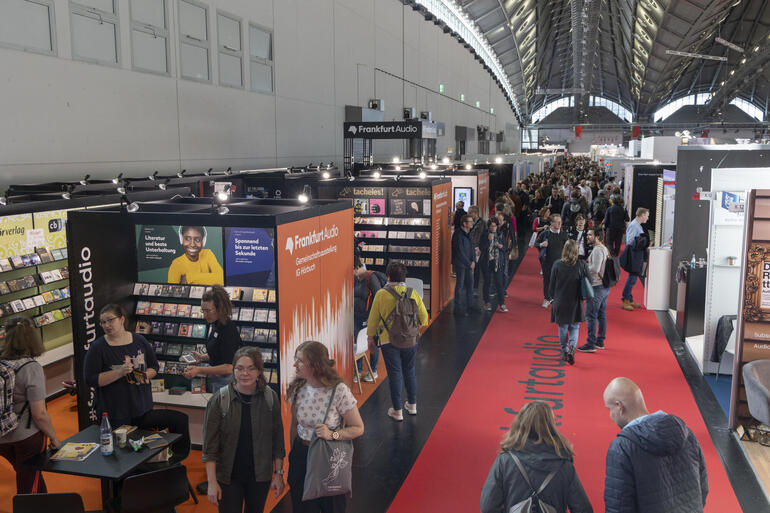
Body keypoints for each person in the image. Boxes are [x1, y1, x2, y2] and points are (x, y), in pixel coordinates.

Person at [603, 377, 708, 513]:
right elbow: (702, 487)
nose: (610, 415)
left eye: (609, 409)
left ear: (619, 406)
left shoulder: (622, 448)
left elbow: (619, 507)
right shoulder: (687, 434)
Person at [202, 347, 285, 513]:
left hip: (260, 476)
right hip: (228, 476)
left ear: (259, 371)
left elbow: (277, 441)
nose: (244, 373)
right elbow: (210, 447)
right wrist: (211, 482)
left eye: (251, 368)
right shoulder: (219, 400)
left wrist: (279, 474)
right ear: (233, 370)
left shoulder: (270, 398)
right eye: (239, 368)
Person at [287, 341, 364, 513]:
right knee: (301, 506)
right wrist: (293, 454)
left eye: (300, 361)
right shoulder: (298, 388)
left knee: (332, 506)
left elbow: (358, 427)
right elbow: (294, 425)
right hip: (302, 454)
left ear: (315, 365)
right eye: (295, 359)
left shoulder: (339, 390)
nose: (294, 364)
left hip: (328, 455)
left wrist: (332, 435)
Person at [480, 401, 592, 513]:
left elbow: (488, 507)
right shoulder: (564, 464)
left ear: (520, 423)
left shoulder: (505, 461)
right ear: (551, 426)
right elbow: (583, 509)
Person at [0, 317, 62, 494]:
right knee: (29, 485)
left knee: (31, 476)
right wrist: (54, 437)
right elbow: (39, 414)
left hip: (2, 435)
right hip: (26, 436)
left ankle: (45, 504)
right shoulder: (31, 367)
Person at [367, 262, 429, 421]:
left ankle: (397, 411)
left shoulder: (381, 294)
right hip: (410, 340)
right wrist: (411, 328)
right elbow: (424, 318)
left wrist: (370, 338)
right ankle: (412, 406)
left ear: (388, 277)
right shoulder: (412, 292)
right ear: (404, 277)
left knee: (394, 374)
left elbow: (373, 320)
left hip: (388, 340)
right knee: (410, 370)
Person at [84, 304, 159, 427]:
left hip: (142, 407)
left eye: (110, 320)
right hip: (114, 412)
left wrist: (144, 376)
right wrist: (120, 372)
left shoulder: (140, 340)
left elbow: (154, 366)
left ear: (122, 319)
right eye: (103, 322)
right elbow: (90, 379)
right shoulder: (98, 347)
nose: (106, 325)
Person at [184, 285, 243, 391]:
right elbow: (222, 353)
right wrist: (202, 357)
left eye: (208, 311)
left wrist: (199, 370)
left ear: (219, 309)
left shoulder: (227, 329)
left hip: (228, 383)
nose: (204, 315)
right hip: (218, 381)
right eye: (203, 311)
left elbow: (229, 367)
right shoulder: (216, 324)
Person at [548, 240, 587, 366]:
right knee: (575, 327)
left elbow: (551, 286)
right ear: (576, 251)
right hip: (576, 302)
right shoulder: (582, 265)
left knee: (563, 328)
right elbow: (589, 282)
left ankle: (564, 351)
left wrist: (552, 299)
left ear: (564, 250)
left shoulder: (557, 265)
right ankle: (572, 349)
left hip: (561, 301)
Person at [578, 227, 609, 353]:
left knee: (591, 316)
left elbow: (595, 269)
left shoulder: (597, 250)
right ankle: (600, 341)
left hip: (597, 286)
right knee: (601, 315)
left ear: (597, 236)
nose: (587, 237)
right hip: (603, 286)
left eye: (590, 235)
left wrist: (584, 268)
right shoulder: (604, 248)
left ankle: (591, 343)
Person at [353, 256, 382, 382]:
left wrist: (376, 317)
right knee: (358, 342)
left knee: (372, 342)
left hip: (370, 317)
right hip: (357, 316)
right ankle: (358, 371)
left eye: (352, 270)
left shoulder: (371, 278)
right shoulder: (356, 279)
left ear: (357, 267)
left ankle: (373, 371)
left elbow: (379, 297)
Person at [619, 208, 650, 311]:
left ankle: (629, 299)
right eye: (647, 215)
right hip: (634, 255)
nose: (647, 218)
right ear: (642, 215)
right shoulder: (634, 225)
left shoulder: (637, 225)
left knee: (633, 277)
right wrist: (643, 242)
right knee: (632, 278)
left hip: (637, 255)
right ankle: (625, 300)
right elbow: (630, 241)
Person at [537, 214, 568, 308]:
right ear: (551, 223)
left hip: (561, 263)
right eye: (557, 222)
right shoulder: (545, 233)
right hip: (547, 262)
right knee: (547, 281)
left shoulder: (563, 234)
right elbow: (535, 243)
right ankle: (547, 298)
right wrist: (541, 244)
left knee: (560, 282)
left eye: (560, 222)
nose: (559, 224)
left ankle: (557, 298)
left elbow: (567, 248)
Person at [480, 218, 508, 313]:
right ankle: (487, 302)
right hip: (487, 262)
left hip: (497, 262)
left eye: (495, 226)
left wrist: (501, 246)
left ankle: (502, 304)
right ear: (488, 227)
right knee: (487, 282)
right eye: (491, 226)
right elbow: (481, 248)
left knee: (499, 283)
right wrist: (488, 240)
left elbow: (505, 248)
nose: (493, 228)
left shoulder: (500, 234)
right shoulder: (484, 234)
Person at [451, 214, 476, 315]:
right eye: (470, 222)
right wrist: (469, 263)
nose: (472, 223)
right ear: (464, 224)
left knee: (470, 284)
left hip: (469, 264)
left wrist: (473, 260)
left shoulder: (469, 233)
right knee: (460, 285)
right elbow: (459, 251)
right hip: (461, 264)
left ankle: (470, 306)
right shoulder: (458, 234)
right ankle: (457, 308)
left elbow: (472, 247)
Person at [468, 206, 486, 292]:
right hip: (471, 248)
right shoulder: (470, 222)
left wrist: (480, 248)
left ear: (475, 213)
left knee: (477, 268)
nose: (468, 214)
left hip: (477, 248)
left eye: (470, 213)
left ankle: (475, 287)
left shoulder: (481, 224)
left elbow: (480, 237)